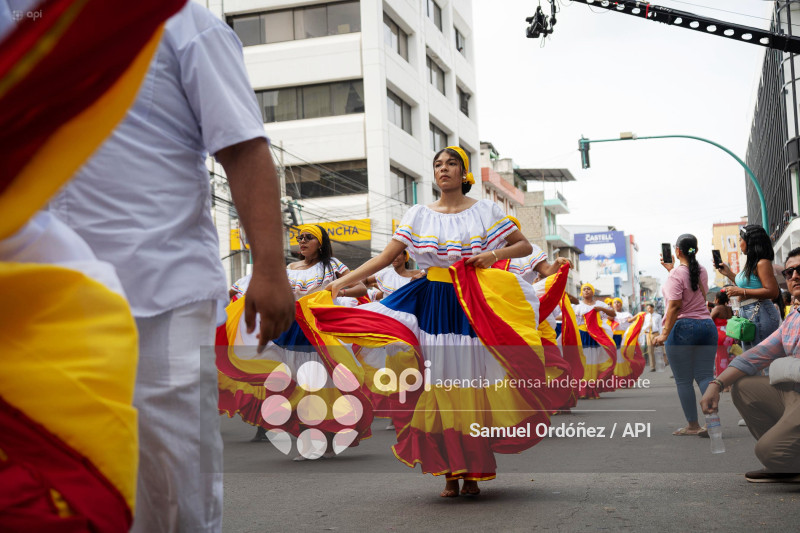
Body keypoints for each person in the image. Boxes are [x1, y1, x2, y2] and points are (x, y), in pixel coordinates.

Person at [47, 4, 296, 531]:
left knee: (172, 491)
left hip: (160, 292)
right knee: (52, 484)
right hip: (37, 299)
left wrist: (270, 269)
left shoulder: (185, 25)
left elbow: (244, 148)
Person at [303, 146, 560, 498]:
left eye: (451, 163)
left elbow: (524, 247)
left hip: (471, 304)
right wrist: (339, 283)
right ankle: (449, 472)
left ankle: (471, 472)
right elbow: (386, 257)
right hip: (430, 303)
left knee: (468, 382)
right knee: (437, 384)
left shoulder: (485, 209)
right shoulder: (419, 214)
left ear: (464, 173)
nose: (443, 169)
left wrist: (492, 254)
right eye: (438, 164)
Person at [218, 224, 371, 453]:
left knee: (322, 383)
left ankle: (328, 434)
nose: (302, 241)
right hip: (293, 328)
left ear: (320, 243)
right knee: (297, 382)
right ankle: (309, 438)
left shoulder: (332, 265)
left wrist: (337, 291)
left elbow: (360, 288)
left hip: (321, 328)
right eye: (300, 237)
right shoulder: (290, 268)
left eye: (308, 237)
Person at [700, 246, 800, 482]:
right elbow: (757, 354)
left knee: (768, 452)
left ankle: (784, 457)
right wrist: (715, 384)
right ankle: (789, 462)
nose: (795, 276)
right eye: (789, 272)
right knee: (743, 386)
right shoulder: (793, 317)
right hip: (793, 392)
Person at [654, 234, 717, 436]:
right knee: (706, 375)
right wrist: (671, 270)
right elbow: (695, 291)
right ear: (695, 251)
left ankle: (693, 425)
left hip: (683, 328)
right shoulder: (702, 270)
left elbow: (674, 306)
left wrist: (664, 335)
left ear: (677, 251)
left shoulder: (676, 275)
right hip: (707, 326)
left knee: (683, 380)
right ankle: (713, 422)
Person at [717, 225, 780, 350]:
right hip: (749, 313)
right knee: (751, 361)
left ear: (749, 242)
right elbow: (746, 285)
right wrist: (728, 273)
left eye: (740, 240)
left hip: (760, 312)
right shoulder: (752, 263)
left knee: (762, 361)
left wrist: (741, 291)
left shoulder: (762, 263)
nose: (739, 243)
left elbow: (773, 292)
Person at [572, 283, 617, 398]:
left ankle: (591, 389)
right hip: (582, 336)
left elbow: (613, 314)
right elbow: (565, 316)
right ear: (581, 292)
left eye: (588, 289)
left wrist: (601, 309)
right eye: (584, 289)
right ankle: (582, 390)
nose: (586, 291)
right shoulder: (577, 306)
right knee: (584, 362)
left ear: (593, 292)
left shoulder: (599, 304)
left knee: (593, 361)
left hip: (596, 336)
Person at [711, 291, 735, 377]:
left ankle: (723, 381)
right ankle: (729, 379)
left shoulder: (717, 309)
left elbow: (710, 321)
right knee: (727, 357)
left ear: (717, 299)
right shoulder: (729, 309)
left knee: (720, 358)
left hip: (719, 336)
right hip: (729, 335)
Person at [643, 303, 665, 371]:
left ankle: (661, 364)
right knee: (650, 351)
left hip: (656, 334)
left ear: (652, 308)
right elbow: (644, 326)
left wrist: (661, 335)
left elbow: (660, 326)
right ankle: (652, 367)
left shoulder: (658, 316)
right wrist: (645, 329)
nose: (648, 309)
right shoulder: (646, 316)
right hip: (648, 334)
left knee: (658, 350)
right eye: (647, 308)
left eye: (649, 308)